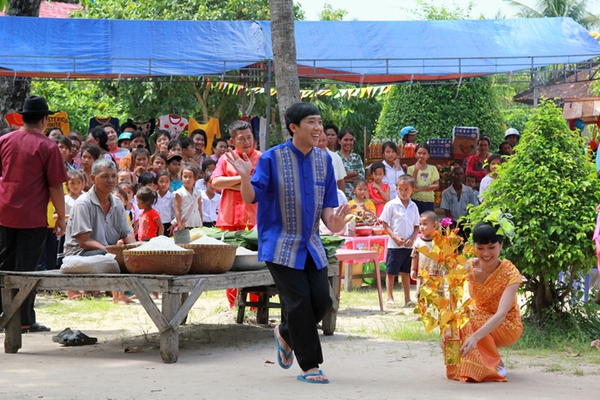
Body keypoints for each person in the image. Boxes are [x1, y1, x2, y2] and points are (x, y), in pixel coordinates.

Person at [224, 102, 349, 384]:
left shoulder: (324, 160)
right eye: (311, 123)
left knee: (323, 301)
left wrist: (336, 224)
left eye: (319, 122)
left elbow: (329, 211)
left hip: (311, 244)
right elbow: (251, 196)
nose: (318, 129)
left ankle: (285, 333)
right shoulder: (271, 158)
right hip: (279, 244)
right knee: (299, 303)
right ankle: (309, 366)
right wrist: (245, 176)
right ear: (294, 128)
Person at [0, 95, 68, 333]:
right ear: (44, 120)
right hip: (32, 217)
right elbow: (55, 187)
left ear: (23, 117)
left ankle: (3, 315)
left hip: (3, 213)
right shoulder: (48, 146)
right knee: (27, 268)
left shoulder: (5, 140)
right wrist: (62, 216)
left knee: (4, 264)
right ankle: (24, 320)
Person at [446, 221, 522, 382]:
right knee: (455, 321)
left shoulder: (510, 273)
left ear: (501, 245)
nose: (486, 253)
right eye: (480, 248)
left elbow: (501, 314)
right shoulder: (468, 268)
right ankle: (456, 366)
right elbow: (451, 299)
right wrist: (447, 329)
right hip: (477, 316)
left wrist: (474, 337)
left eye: (491, 247)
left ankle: (495, 365)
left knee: (469, 319)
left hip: (507, 324)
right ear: (474, 247)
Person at [64, 158, 135, 256]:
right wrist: (111, 251)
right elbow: (84, 242)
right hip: (80, 254)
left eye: (113, 176)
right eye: (105, 176)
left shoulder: (118, 203)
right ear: (93, 179)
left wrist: (135, 250)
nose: (110, 180)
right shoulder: (83, 203)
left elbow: (127, 234)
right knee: (107, 256)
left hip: (107, 253)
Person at [211, 120, 261, 232]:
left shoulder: (262, 158)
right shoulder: (225, 158)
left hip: (253, 219)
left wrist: (228, 185)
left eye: (249, 137)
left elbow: (261, 186)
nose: (247, 142)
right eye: (242, 139)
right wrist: (244, 178)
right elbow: (215, 183)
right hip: (227, 219)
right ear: (232, 141)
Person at [379, 175, 419, 309]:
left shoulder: (414, 206)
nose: (403, 192)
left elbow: (417, 225)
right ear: (396, 189)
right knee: (391, 272)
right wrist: (395, 237)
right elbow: (384, 223)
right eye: (400, 189)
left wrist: (412, 238)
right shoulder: (391, 205)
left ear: (412, 190)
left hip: (408, 245)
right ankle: (390, 298)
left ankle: (407, 298)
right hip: (394, 245)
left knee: (406, 272)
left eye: (406, 189)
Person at [64, 169, 86, 300]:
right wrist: (72, 216)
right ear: (67, 184)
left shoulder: (86, 197)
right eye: (72, 183)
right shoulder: (65, 199)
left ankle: (88, 288)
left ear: (83, 184)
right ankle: (71, 289)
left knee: (85, 260)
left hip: (84, 232)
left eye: (79, 183)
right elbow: (57, 215)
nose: (76, 186)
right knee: (70, 260)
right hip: (69, 232)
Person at [410, 211, 443, 296]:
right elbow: (414, 256)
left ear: (434, 225)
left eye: (425, 224)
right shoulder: (418, 241)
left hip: (436, 273)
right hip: (423, 274)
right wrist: (413, 269)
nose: (421, 227)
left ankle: (439, 309)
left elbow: (445, 256)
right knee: (421, 296)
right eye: (420, 224)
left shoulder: (439, 241)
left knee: (438, 297)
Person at [406, 143, 439, 214]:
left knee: (428, 222)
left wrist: (419, 189)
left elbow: (436, 185)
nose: (421, 156)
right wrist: (416, 170)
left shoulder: (432, 168)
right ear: (415, 154)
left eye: (424, 153)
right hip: (415, 200)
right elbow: (413, 185)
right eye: (419, 153)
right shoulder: (410, 169)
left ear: (428, 155)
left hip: (428, 201)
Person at [337, 128, 365, 200]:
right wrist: (354, 173)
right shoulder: (335, 157)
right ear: (339, 141)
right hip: (340, 197)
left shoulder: (356, 157)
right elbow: (334, 178)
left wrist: (342, 179)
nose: (348, 142)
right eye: (346, 140)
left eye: (351, 140)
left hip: (356, 198)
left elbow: (361, 177)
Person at [174, 165, 203, 230]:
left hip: (196, 223)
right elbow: (177, 210)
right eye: (185, 177)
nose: (187, 179)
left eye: (190, 177)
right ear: (181, 178)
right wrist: (179, 224)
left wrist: (201, 222)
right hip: (185, 224)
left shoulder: (198, 193)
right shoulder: (179, 193)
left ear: (195, 178)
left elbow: (199, 209)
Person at [155, 170, 175, 234]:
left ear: (170, 183)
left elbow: (175, 212)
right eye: (161, 181)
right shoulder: (153, 196)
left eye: (167, 182)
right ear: (157, 182)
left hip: (167, 225)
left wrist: (173, 223)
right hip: (155, 224)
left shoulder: (172, 197)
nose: (164, 184)